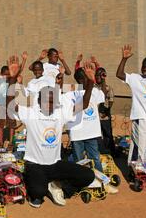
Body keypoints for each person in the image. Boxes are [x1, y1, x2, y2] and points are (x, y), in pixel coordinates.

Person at [9, 59, 95, 208]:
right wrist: (12, 78)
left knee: (88, 176)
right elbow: (10, 103)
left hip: (54, 164)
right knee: (37, 196)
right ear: (38, 101)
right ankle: (40, 186)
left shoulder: (59, 112)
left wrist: (91, 82)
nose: (48, 105)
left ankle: (59, 188)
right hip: (35, 165)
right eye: (45, 102)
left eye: (51, 102)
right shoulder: (31, 113)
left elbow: (84, 104)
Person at [64, 67, 105, 172]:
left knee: (95, 158)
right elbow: (82, 105)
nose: (92, 79)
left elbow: (103, 95)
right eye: (88, 77)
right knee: (79, 160)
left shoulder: (95, 91)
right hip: (77, 135)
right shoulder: (71, 94)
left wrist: (101, 79)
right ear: (81, 80)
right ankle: (81, 182)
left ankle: (100, 181)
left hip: (91, 134)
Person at [0, 53, 27, 149]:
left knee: (11, 125)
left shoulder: (12, 81)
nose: (7, 75)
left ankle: (11, 143)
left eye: (8, 74)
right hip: (1, 106)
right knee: (0, 125)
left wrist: (23, 61)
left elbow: (17, 72)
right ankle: (1, 142)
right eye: (5, 74)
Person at [95, 67, 116, 157]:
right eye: (96, 75)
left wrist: (106, 112)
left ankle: (111, 152)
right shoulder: (93, 87)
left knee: (108, 134)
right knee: (97, 135)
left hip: (105, 116)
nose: (97, 77)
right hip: (95, 116)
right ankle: (100, 151)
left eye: (100, 75)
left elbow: (111, 101)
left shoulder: (108, 88)